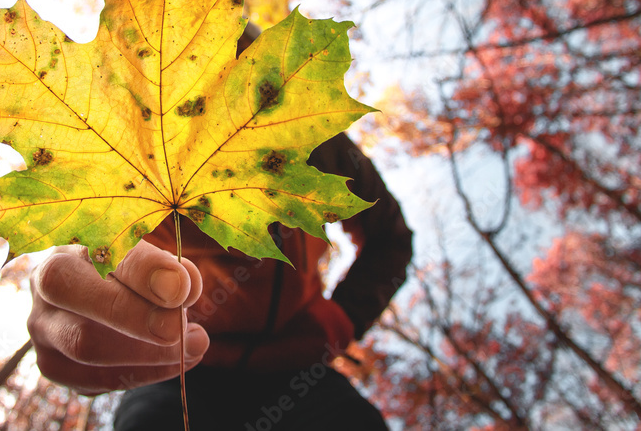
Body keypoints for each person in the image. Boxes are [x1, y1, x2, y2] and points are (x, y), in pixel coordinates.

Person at [27, 23, 413, 430]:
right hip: (177, 369)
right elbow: (83, 255)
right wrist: (74, 299)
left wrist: (341, 318)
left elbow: (390, 238)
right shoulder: (123, 163)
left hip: (302, 374)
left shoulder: (313, 138)